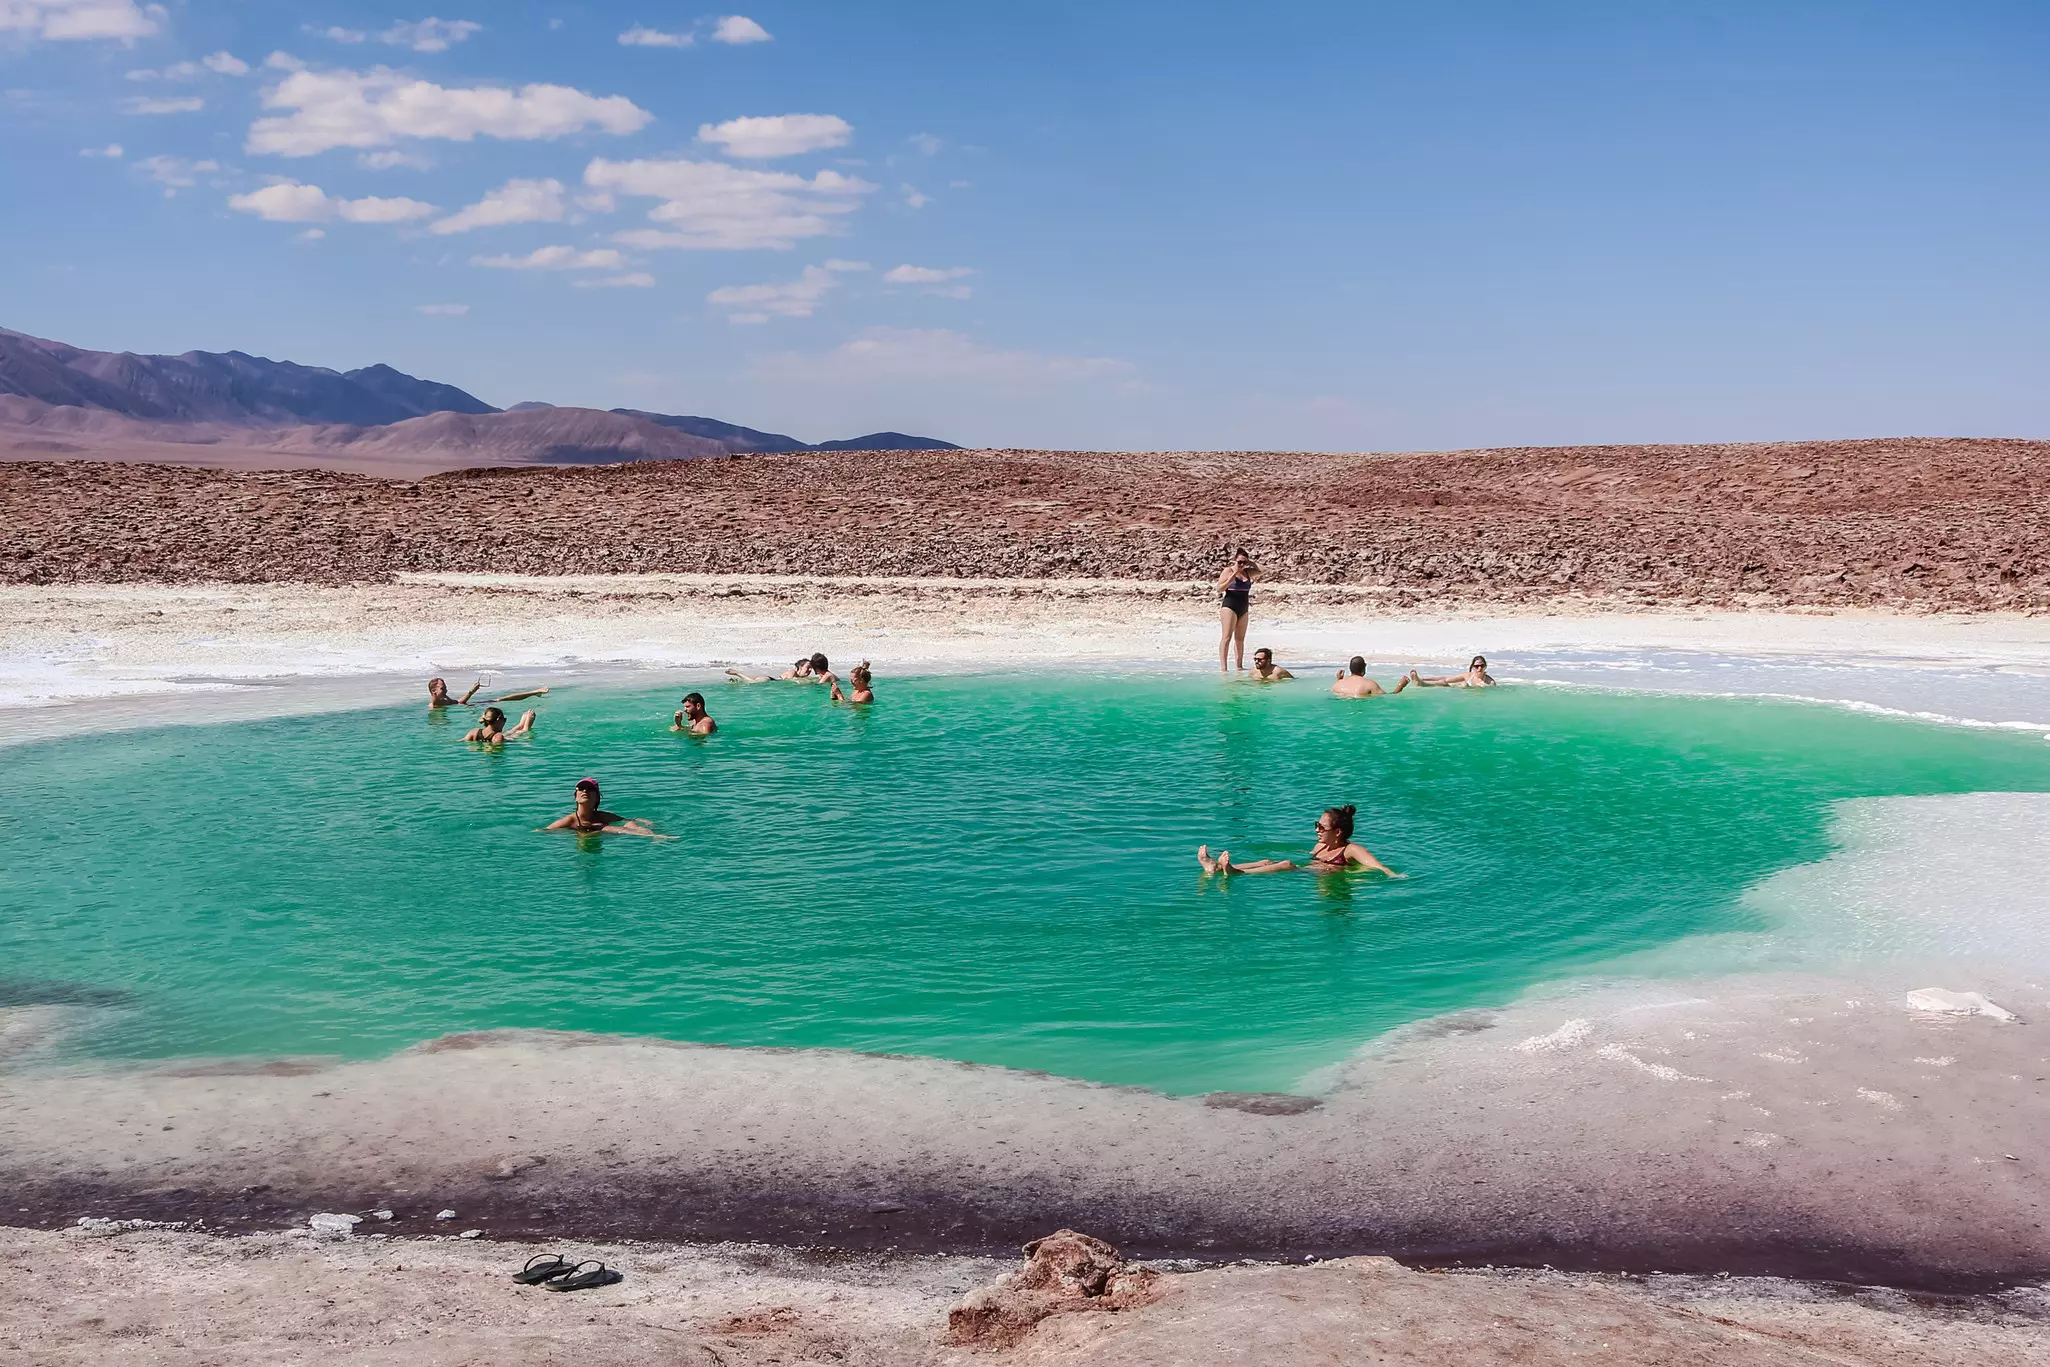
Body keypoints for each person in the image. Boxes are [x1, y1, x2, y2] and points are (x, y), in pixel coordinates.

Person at [1197, 805, 1401, 877]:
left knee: (1286, 864)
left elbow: (1377, 866)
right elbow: (1309, 859)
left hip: (1316, 876)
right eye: (1316, 825)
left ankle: (1235, 872)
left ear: (1338, 832)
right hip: (1309, 871)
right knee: (1268, 860)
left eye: (1322, 827)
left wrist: (1393, 875)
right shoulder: (1320, 846)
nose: (1317, 830)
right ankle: (1215, 868)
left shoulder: (1350, 850)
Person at [539, 778, 668, 838]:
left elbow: (626, 819)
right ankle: (653, 837)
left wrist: (643, 821)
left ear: (597, 798)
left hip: (600, 842)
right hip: (584, 843)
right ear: (575, 797)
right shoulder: (569, 821)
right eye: (581, 789)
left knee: (628, 824)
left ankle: (653, 836)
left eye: (590, 789)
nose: (585, 791)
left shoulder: (602, 816)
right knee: (602, 828)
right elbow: (543, 831)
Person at [1216, 548, 1258, 673]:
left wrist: (1252, 564)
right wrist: (1231, 578)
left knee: (1240, 639)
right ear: (1235, 560)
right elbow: (1219, 588)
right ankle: (1224, 668)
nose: (1242, 565)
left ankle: (1239, 666)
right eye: (1239, 562)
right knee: (1226, 637)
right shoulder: (1228, 570)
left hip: (1243, 607)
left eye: (1244, 562)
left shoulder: (1248, 572)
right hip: (1230, 606)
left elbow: (1264, 570)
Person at [427, 677, 550, 708]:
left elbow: (459, 702)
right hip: (470, 706)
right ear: (433, 691)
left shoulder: (443, 698)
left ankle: (534, 692)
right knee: (500, 699)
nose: (446, 690)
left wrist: (471, 692)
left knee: (501, 699)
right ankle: (534, 692)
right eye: (443, 688)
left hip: (468, 705)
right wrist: (471, 692)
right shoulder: (436, 701)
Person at [1331, 656, 1409, 698]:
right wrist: (1401, 686)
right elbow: (1389, 696)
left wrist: (1339, 680)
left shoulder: (1338, 684)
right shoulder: (1369, 684)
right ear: (1364, 667)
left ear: (1350, 668)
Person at [462, 705, 536, 744]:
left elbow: (461, 741)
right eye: (504, 719)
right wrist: (527, 727)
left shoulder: (474, 732)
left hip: (490, 740)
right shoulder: (498, 737)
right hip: (495, 742)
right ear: (498, 719)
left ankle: (520, 724)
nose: (504, 722)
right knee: (510, 735)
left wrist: (521, 724)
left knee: (508, 733)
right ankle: (524, 726)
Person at [1410, 656, 1496, 688]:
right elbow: (1446, 678)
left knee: (1462, 684)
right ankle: (1420, 681)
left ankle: (1421, 683)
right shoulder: (1469, 676)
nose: (1479, 668)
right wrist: (1423, 677)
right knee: (1445, 682)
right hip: (1459, 689)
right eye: (1477, 666)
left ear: (1485, 666)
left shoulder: (1490, 682)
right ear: (1472, 667)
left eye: (1482, 665)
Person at [726, 659, 815, 683]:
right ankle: (738, 673)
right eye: (808, 667)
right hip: (769, 680)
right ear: (800, 666)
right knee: (753, 683)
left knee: (749, 682)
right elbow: (790, 682)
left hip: (771, 680)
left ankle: (737, 681)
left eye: (811, 668)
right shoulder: (793, 672)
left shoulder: (797, 675)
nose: (810, 670)